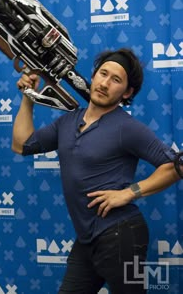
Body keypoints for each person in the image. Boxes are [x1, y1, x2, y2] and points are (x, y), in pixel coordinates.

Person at [12, 48, 180, 294]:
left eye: (116, 80)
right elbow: (21, 144)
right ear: (93, 76)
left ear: (127, 92)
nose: (105, 83)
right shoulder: (68, 121)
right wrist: (28, 96)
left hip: (124, 238)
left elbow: (176, 166)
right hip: (87, 239)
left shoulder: (127, 128)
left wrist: (129, 193)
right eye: (103, 74)